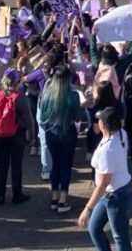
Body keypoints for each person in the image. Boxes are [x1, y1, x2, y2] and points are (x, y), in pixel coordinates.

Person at [78, 107, 132, 251]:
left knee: (120, 237)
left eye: (100, 120)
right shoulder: (122, 134)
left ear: (104, 125)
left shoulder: (107, 150)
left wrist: (87, 209)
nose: (98, 122)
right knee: (94, 228)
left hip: (115, 195)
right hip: (116, 191)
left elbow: (103, 183)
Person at [39, 54, 81, 214]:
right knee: (66, 166)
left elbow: (42, 118)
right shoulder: (73, 95)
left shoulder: (47, 94)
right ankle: (63, 199)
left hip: (51, 132)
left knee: (55, 165)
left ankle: (54, 197)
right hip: (67, 132)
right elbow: (77, 117)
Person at [0, 72, 34, 205]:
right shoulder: (21, 97)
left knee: (2, 165)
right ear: (18, 82)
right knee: (16, 165)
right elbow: (29, 119)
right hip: (17, 134)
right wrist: (32, 137)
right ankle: (17, 194)